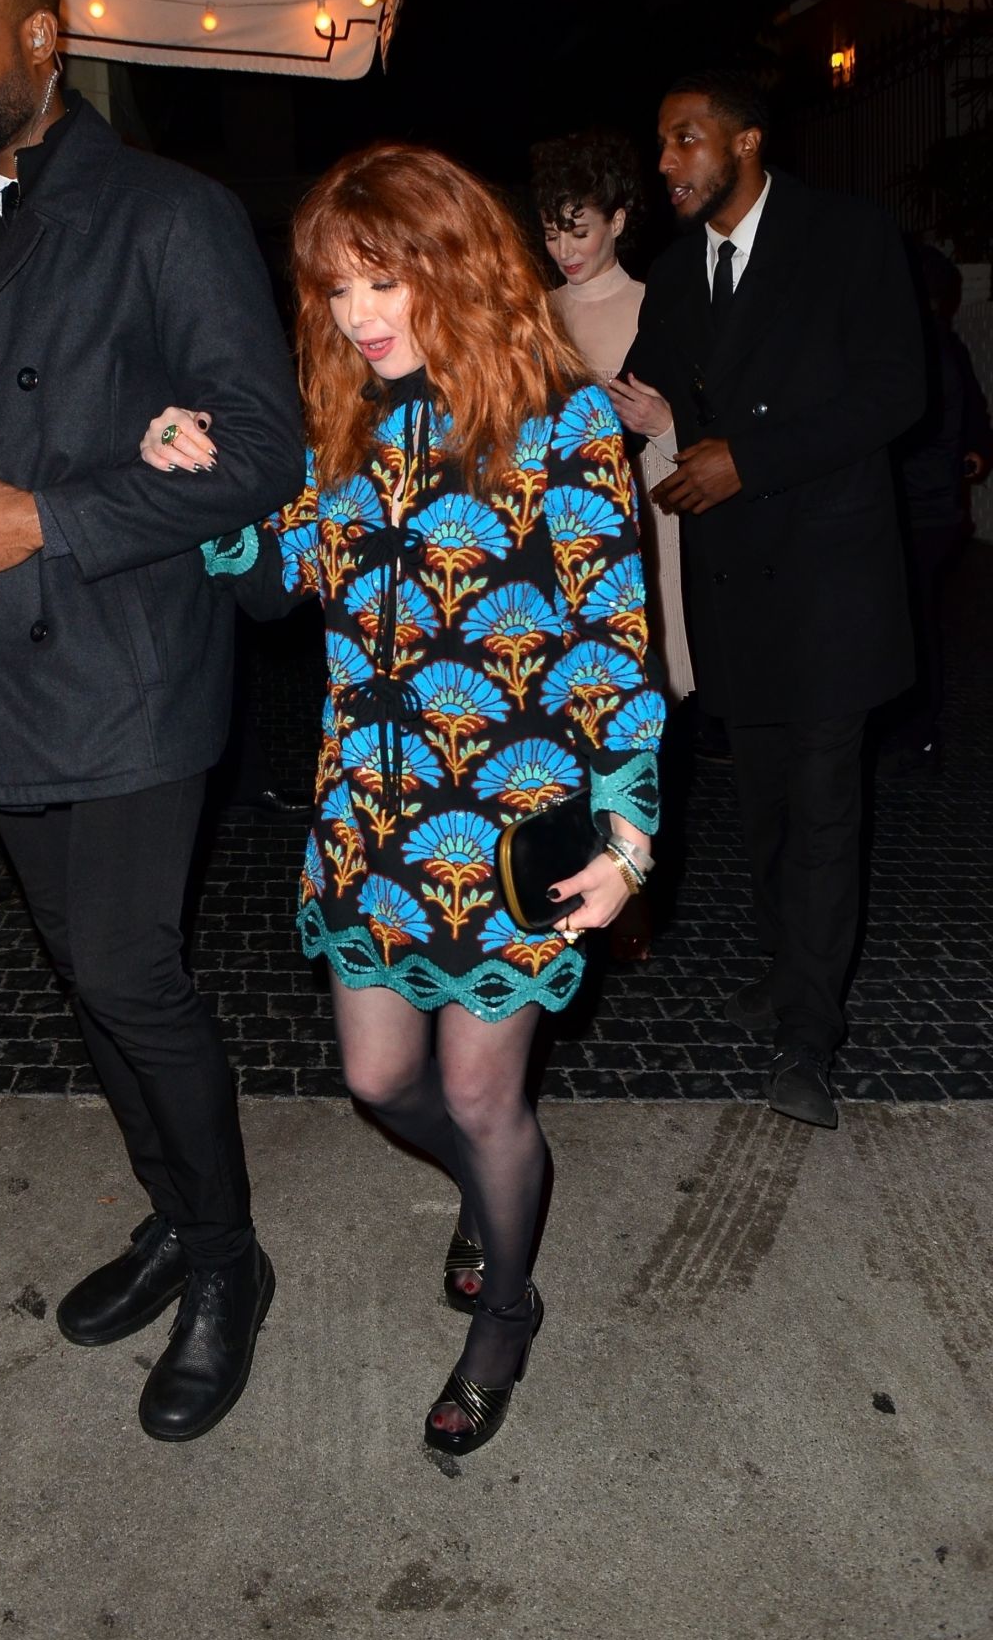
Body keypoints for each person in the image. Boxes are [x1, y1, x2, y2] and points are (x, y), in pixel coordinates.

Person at [142, 144, 663, 1455]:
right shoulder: (354, 419)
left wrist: (629, 836)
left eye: (381, 281)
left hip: (504, 830)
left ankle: (507, 1299)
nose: (356, 315)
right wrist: (210, 487)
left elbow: (613, 637)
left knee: (487, 1099)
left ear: (456, 265)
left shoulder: (565, 418)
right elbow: (281, 579)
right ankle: (502, 1205)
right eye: (332, 290)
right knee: (380, 1080)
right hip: (368, 828)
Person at [0, 0, 304, 1441]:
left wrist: (50, 520)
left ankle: (227, 1260)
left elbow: (263, 455)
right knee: (82, 974)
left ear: (43, 37)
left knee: (131, 966)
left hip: (126, 663)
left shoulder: (167, 214)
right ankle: (171, 1214)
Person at [610, 71, 923, 1131]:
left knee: (825, 806)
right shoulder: (669, 273)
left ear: (744, 142)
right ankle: (790, 966)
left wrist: (748, 457)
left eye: (681, 140)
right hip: (732, 584)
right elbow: (645, 393)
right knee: (761, 806)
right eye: (659, 145)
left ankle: (808, 1033)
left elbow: (893, 392)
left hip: (829, 581)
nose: (664, 164)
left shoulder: (846, 236)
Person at [532, 131, 693, 960]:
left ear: (619, 221)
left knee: (636, 696)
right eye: (553, 231)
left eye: (580, 228)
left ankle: (634, 891)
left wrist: (661, 426)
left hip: (640, 522)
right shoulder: (533, 315)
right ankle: (571, 877)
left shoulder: (656, 305)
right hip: (551, 542)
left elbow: (691, 435)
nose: (565, 248)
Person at [878, 244, 993, 779]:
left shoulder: (911, 348)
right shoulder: (942, 344)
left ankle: (916, 730)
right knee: (915, 619)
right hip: (935, 509)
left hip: (916, 511)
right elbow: (972, 413)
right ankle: (914, 728)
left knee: (912, 623)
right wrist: (973, 451)